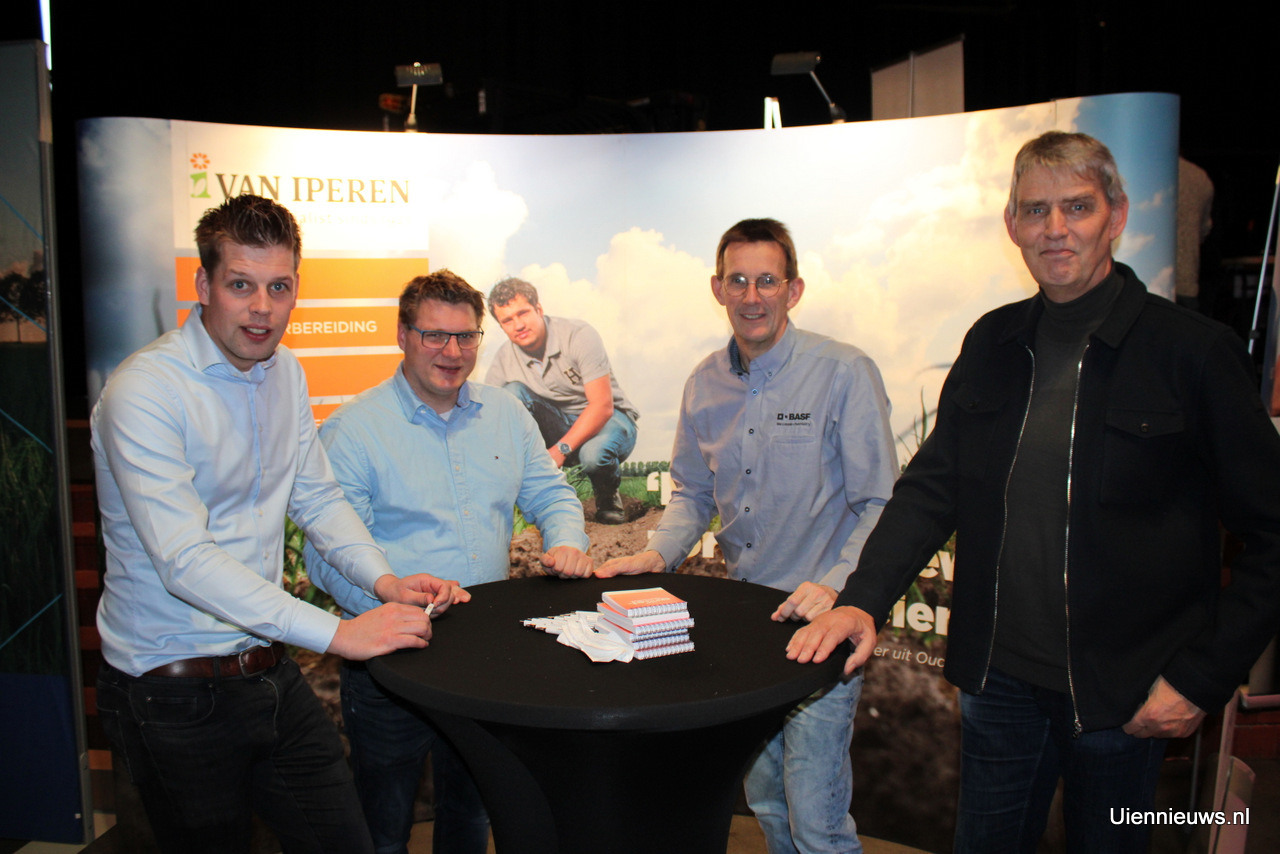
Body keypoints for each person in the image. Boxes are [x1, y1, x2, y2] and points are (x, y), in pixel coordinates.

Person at [787, 131, 1280, 852]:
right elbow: (931, 489)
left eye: (1077, 207)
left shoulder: (1193, 352)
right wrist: (861, 599)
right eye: (1035, 210)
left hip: (1126, 698)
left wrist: (1201, 678)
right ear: (1012, 224)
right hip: (999, 687)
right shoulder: (993, 342)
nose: (1055, 228)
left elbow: (1273, 534)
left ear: (1116, 215)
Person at [92, 195, 466, 854]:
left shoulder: (284, 371)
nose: (262, 308)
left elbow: (316, 499)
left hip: (267, 670)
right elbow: (184, 560)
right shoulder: (144, 392)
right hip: (171, 691)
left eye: (279, 287)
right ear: (204, 284)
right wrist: (339, 633)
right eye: (241, 285)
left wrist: (384, 582)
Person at [597, 218, 897, 854]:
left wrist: (836, 587)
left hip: (823, 626)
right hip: (748, 625)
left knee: (816, 821)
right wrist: (655, 554)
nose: (752, 296)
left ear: (794, 290)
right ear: (717, 288)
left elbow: (880, 503)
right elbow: (692, 493)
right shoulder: (703, 383)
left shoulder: (843, 372)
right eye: (738, 281)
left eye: (767, 281)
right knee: (766, 804)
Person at [306, 270, 592, 854]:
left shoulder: (506, 415)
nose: (452, 352)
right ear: (402, 335)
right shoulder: (353, 431)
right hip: (390, 662)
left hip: (485, 658)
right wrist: (391, 600)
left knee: (470, 814)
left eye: (465, 337)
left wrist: (567, 540)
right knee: (382, 827)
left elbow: (553, 494)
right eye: (435, 335)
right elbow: (324, 556)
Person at [485, 277, 639, 524]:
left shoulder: (578, 335)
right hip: (557, 425)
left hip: (610, 420)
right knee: (510, 394)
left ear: (539, 309)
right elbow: (488, 420)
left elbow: (602, 406)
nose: (518, 325)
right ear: (501, 326)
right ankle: (536, 500)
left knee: (594, 455)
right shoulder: (503, 359)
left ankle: (607, 498)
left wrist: (559, 451)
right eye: (507, 320)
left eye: (523, 313)